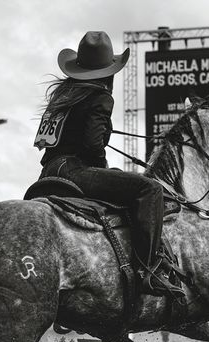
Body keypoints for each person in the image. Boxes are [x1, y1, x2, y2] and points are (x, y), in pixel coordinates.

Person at [35, 31, 183, 297]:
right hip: (75, 170)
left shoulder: (64, 95)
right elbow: (93, 145)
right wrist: (101, 169)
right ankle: (149, 271)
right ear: (108, 72)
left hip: (49, 171)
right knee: (149, 190)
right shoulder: (101, 96)